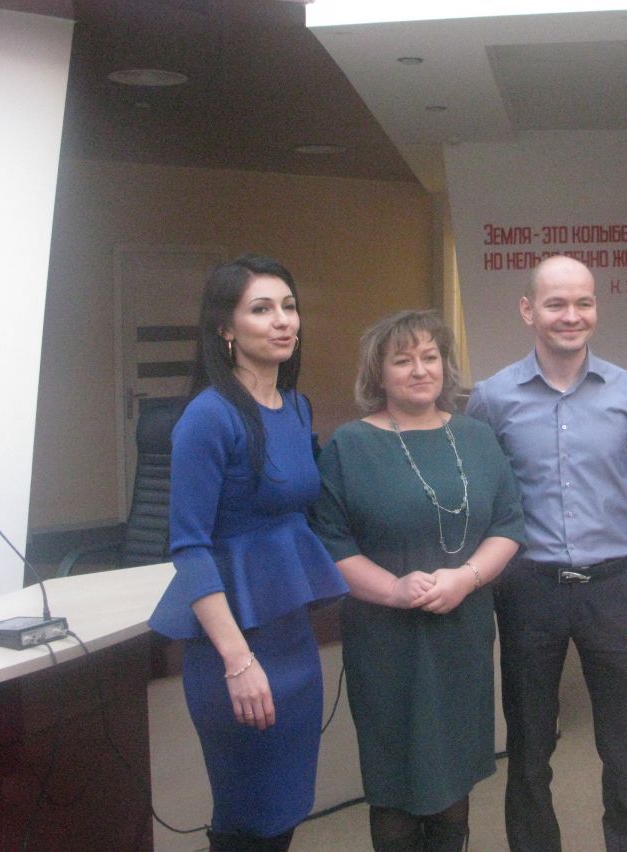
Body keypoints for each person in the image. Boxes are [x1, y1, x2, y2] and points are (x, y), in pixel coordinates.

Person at [466, 254, 627, 852]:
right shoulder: (491, 398)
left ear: (596, 307)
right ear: (528, 310)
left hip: (613, 591)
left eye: (583, 302)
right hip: (527, 591)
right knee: (529, 747)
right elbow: (473, 499)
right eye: (556, 304)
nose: (572, 315)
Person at [148, 256, 349, 851]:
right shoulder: (208, 416)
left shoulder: (296, 407)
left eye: (289, 307)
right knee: (247, 819)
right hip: (233, 650)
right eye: (262, 309)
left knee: (284, 812)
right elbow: (189, 548)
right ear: (225, 328)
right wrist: (238, 663)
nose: (283, 320)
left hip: (292, 643)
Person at [310, 310, 524, 852]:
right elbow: (331, 542)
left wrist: (467, 579)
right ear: (378, 374)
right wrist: (393, 589)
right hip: (385, 640)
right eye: (402, 360)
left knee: (454, 775)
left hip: (462, 633)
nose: (420, 369)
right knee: (395, 781)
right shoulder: (349, 446)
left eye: (430, 357)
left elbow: (508, 525)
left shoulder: (477, 437)